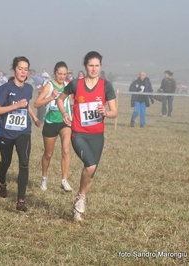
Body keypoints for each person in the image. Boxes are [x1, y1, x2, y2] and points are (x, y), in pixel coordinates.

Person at [57, 51, 117, 222]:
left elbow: (114, 112)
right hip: (79, 134)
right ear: (85, 66)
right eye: (91, 65)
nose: (94, 69)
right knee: (89, 167)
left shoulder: (106, 86)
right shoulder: (76, 84)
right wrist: (64, 113)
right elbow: (60, 99)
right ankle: (81, 199)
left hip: (97, 136)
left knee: (91, 174)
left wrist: (105, 112)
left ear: (100, 67)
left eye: (97, 66)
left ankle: (79, 202)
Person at [0, 56, 41, 212]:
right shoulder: (5, 88)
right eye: (20, 68)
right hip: (6, 133)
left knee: (24, 163)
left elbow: (25, 106)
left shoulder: (28, 89)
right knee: (5, 162)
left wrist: (33, 117)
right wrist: (15, 106)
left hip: (23, 131)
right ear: (14, 70)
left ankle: (21, 200)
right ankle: (2, 182)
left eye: (26, 69)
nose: (23, 72)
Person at [34, 61, 73, 192]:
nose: (62, 76)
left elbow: (71, 100)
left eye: (64, 74)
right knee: (48, 154)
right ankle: (44, 178)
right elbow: (37, 103)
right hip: (50, 122)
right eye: (59, 74)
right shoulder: (49, 85)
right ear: (54, 73)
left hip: (65, 122)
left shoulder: (68, 85)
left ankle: (64, 180)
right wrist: (51, 97)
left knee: (66, 150)